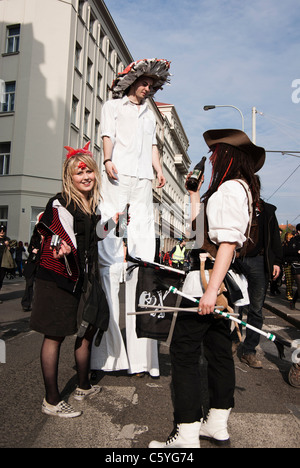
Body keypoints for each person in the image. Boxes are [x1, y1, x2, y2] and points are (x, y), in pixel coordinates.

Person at [149, 128, 265, 448]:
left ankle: (186, 433)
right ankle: (216, 423)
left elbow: (227, 244)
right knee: (217, 350)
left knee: (184, 352)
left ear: (228, 156)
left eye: (215, 155)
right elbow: (200, 236)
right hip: (213, 280)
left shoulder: (229, 189)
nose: (210, 161)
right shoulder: (232, 189)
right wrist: (193, 195)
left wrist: (211, 292)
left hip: (207, 283)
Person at [90, 59, 171, 378]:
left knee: (141, 224)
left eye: (152, 85)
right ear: (133, 82)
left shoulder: (150, 114)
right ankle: (112, 256)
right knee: (113, 221)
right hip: (117, 173)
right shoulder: (112, 106)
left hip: (141, 178)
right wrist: (107, 160)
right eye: (144, 83)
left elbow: (153, 145)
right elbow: (106, 135)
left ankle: (140, 259)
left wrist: (159, 170)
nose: (148, 88)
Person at [30, 142, 114, 418]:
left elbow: (95, 236)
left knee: (87, 330)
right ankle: (52, 400)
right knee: (55, 335)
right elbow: (57, 235)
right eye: (80, 173)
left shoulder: (92, 206)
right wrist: (63, 247)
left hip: (83, 277)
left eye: (89, 171)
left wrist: (116, 222)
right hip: (58, 278)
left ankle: (82, 385)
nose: (86, 177)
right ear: (69, 177)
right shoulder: (61, 202)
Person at [235, 178, 283, 369]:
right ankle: (233, 340)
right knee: (235, 304)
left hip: (258, 262)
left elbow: (275, 238)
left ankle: (249, 351)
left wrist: (277, 262)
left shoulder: (268, 211)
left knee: (256, 309)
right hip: (237, 260)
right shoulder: (237, 207)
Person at [21, 223, 43, 312]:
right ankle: (26, 303)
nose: (39, 231)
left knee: (39, 286)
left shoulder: (46, 238)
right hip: (32, 264)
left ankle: (38, 305)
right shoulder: (35, 238)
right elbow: (30, 249)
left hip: (40, 265)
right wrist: (33, 250)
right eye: (38, 229)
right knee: (29, 284)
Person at [283, 223, 300, 309]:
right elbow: (287, 252)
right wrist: (297, 252)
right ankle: (292, 301)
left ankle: (293, 301)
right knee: (298, 284)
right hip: (295, 265)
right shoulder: (294, 240)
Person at [282, 231, 296, 308]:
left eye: (291, 237)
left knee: (293, 280)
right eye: (288, 237)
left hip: (292, 263)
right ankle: (289, 293)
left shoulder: (293, 244)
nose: (289, 239)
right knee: (288, 279)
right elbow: (283, 254)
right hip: (287, 263)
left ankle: (291, 293)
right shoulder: (284, 245)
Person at [0, 224, 11, 304]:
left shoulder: (7, 239)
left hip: (3, 263)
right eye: (0, 230)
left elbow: (11, 251)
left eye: (3, 230)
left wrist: (8, 246)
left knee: (0, 280)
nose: (2, 232)